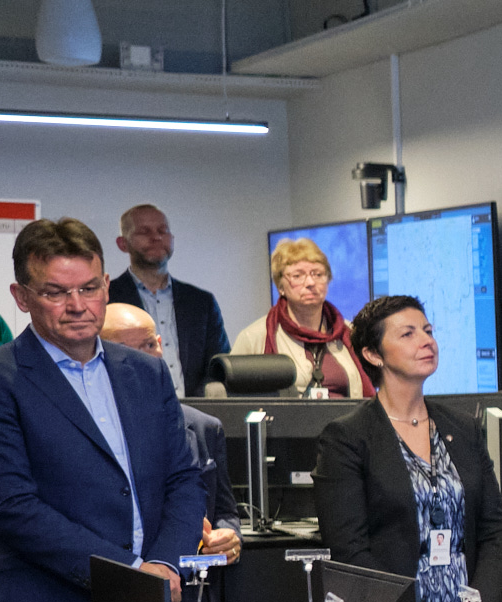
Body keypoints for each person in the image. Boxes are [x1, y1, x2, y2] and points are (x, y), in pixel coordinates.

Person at [0, 219, 201, 602]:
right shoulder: (2, 378)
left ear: (107, 285)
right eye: (55, 292)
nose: (77, 305)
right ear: (21, 296)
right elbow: (11, 506)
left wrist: (165, 564)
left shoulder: (146, 373)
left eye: (88, 288)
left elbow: (182, 479)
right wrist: (130, 574)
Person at [314, 295, 502, 602]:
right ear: (373, 354)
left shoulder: (463, 428)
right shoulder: (348, 438)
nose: (426, 341)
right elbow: (350, 551)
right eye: (407, 334)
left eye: (428, 331)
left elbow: (494, 530)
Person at [103, 305, 239, 560]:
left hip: (192, 579)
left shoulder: (203, 427)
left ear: (160, 344)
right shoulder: (90, 430)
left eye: (148, 345)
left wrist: (228, 537)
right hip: (118, 572)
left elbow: (224, 512)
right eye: (124, 348)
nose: (143, 357)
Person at [111, 203, 229, 396]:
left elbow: (219, 366)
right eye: (144, 232)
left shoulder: (201, 303)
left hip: (196, 410)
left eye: (162, 231)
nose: (156, 237)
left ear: (172, 239)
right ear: (122, 243)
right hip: (132, 407)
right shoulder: (108, 300)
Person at [244, 237, 369, 397]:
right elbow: (234, 400)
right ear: (280, 286)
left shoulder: (349, 334)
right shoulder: (255, 337)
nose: (310, 282)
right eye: (298, 276)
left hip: (348, 414)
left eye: (318, 274)